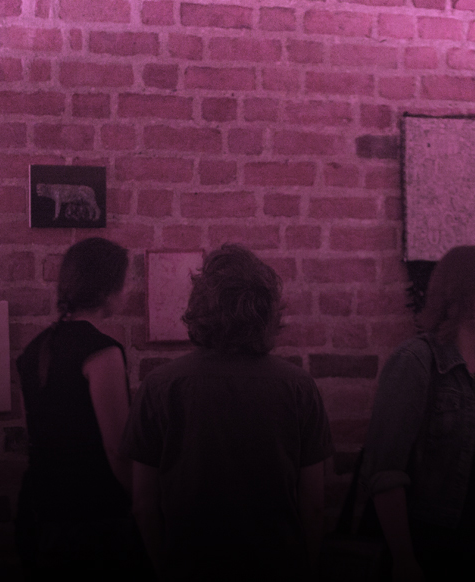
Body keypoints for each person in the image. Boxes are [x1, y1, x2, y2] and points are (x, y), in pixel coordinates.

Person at [122, 244, 333, 581]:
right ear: (267, 312)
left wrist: (165, 565)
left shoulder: (160, 386)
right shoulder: (299, 387)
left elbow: (143, 504)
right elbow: (314, 504)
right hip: (277, 564)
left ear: (199, 308)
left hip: (189, 565)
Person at [361, 245, 475, 581]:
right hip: (429, 543)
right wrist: (404, 559)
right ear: (460, 293)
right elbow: (385, 472)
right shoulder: (416, 361)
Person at [15, 237, 151, 579]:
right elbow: (118, 448)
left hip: (42, 509)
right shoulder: (102, 352)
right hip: (93, 517)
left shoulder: (35, 349)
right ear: (107, 290)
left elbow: (35, 434)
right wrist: (144, 507)